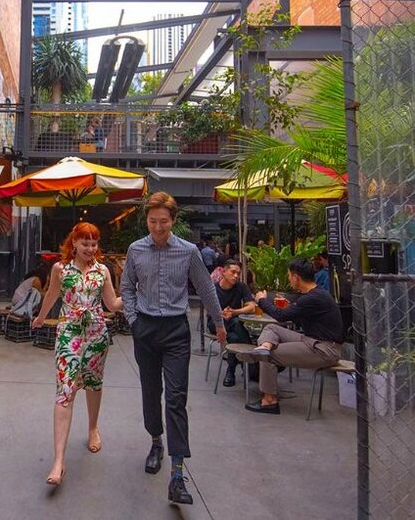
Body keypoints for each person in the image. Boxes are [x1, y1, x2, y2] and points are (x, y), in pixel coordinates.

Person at [121, 192, 224, 505]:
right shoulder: (136, 249)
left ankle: (177, 474)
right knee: (151, 392)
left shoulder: (188, 251)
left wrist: (219, 324)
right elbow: (126, 286)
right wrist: (134, 320)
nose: (158, 227)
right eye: (153, 221)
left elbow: (206, 287)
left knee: (177, 398)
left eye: (163, 221)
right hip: (146, 330)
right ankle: (156, 441)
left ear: (173, 220)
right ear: (147, 220)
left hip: (177, 332)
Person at [31, 222, 123, 486]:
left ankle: (93, 427)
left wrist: (132, 293)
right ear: (74, 243)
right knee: (65, 390)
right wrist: (40, 317)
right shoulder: (61, 269)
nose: (90, 249)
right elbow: (51, 294)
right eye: (85, 244)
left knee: (93, 384)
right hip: (69, 334)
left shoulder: (102, 271)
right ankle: (59, 462)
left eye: (94, 244)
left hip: (96, 334)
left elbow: (112, 304)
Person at [241, 257, 345, 415]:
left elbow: (281, 316)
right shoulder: (314, 295)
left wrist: (262, 301)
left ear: (296, 277)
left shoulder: (313, 298)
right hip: (312, 341)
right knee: (272, 328)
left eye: (289, 275)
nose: (289, 279)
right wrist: (289, 307)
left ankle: (269, 401)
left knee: (268, 357)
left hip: (324, 349)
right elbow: (291, 315)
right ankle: (264, 346)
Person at [207, 259, 257, 387]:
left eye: (238, 273)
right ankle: (252, 364)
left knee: (234, 335)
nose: (236, 276)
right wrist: (222, 314)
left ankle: (230, 371)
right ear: (223, 272)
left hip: (234, 325)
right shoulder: (213, 289)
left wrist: (235, 311)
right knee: (236, 323)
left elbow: (251, 307)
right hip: (216, 324)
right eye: (233, 272)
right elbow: (212, 311)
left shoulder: (241, 287)